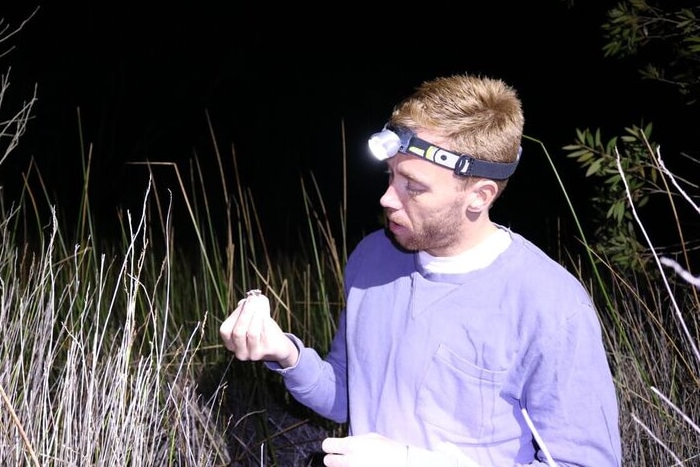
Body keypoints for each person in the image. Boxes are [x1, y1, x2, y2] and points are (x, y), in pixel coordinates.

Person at [219, 73, 622, 466]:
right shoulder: (372, 258)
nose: (387, 198)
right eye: (390, 175)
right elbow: (345, 396)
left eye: (414, 186)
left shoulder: (550, 304)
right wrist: (286, 354)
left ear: (478, 196)